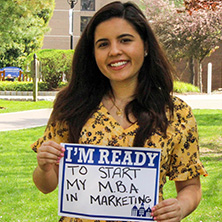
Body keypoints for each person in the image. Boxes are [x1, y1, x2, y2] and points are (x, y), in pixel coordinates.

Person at [31, 1, 208, 222]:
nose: (114, 51)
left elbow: (191, 186)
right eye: (103, 44)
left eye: (125, 40)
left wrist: (180, 206)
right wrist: (45, 167)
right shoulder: (71, 106)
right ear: (93, 53)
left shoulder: (176, 113)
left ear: (145, 46)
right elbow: (46, 186)